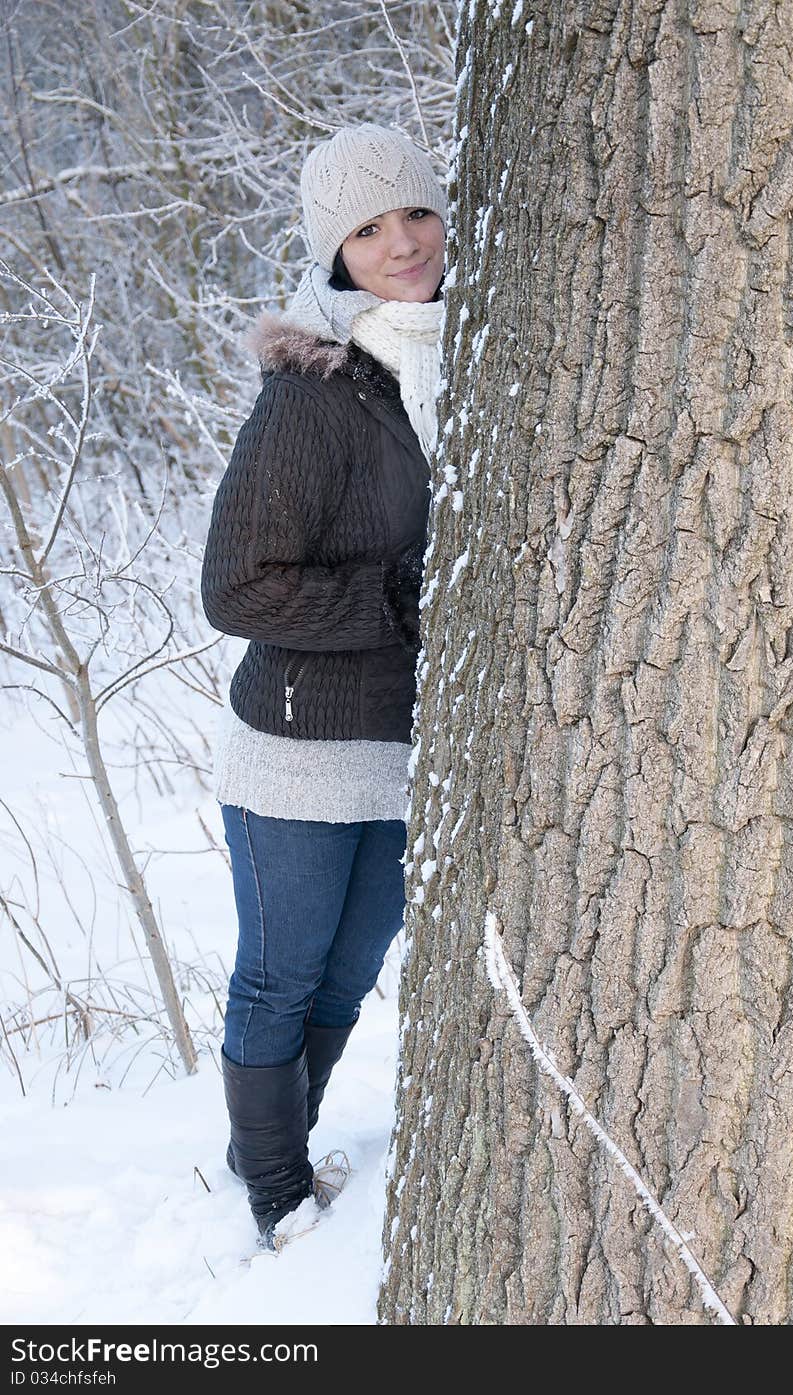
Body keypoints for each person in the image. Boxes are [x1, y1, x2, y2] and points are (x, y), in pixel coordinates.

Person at [199, 122, 446, 1248]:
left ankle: (284, 1156)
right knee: (281, 980)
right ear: (332, 253)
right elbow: (238, 586)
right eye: (367, 226)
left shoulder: (440, 362)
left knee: (346, 981)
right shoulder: (312, 394)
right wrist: (398, 601)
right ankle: (276, 1197)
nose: (400, 242)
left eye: (416, 213)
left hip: (403, 748)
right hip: (297, 750)